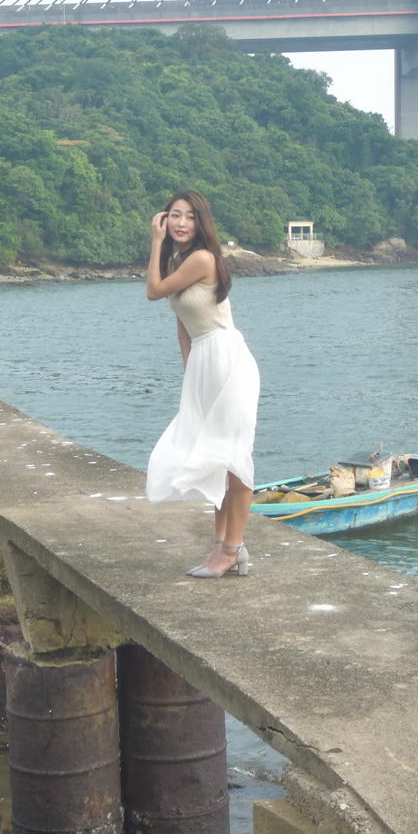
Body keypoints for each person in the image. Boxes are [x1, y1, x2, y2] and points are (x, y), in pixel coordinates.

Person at [144, 191, 260, 577]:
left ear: (201, 223)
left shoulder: (201, 259)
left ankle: (232, 549)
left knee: (234, 457)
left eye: (190, 217)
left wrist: (156, 241)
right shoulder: (179, 261)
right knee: (215, 457)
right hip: (204, 364)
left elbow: (153, 291)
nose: (181, 223)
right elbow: (183, 322)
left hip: (228, 360)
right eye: (175, 215)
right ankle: (221, 546)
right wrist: (190, 371)